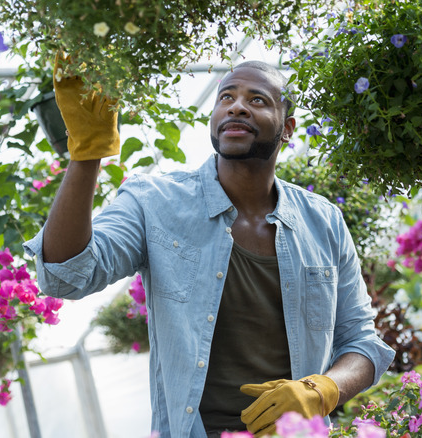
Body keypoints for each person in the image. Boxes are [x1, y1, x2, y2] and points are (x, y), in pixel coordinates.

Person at [23, 58, 395, 437]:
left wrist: (321, 391)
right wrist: (86, 157)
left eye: (258, 100)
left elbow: (362, 341)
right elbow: (64, 277)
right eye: (226, 97)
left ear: (287, 130)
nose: (236, 106)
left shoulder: (324, 222)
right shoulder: (154, 201)